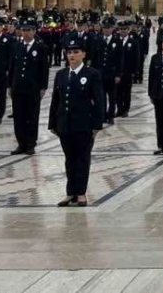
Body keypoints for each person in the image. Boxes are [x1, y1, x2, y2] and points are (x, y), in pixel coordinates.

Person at [48, 38, 105, 207]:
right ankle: (70, 192)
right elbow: (55, 100)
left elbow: (99, 101)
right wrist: (52, 123)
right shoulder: (61, 74)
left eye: (76, 52)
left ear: (83, 54)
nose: (72, 55)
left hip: (84, 124)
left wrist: (97, 125)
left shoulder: (91, 74)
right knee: (69, 158)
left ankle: (81, 192)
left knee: (82, 158)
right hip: (65, 124)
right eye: (69, 52)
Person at [10, 19, 50, 155]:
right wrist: (10, 85)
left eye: (28, 30)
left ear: (34, 31)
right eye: (24, 30)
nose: (26, 33)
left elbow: (44, 69)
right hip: (18, 87)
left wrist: (43, 87)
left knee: (32, 116)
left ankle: (30, 143)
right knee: (19, 116)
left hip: (33, 88)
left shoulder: (41, 48)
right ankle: (21, 143)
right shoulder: (16, 46)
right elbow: (12, 67)